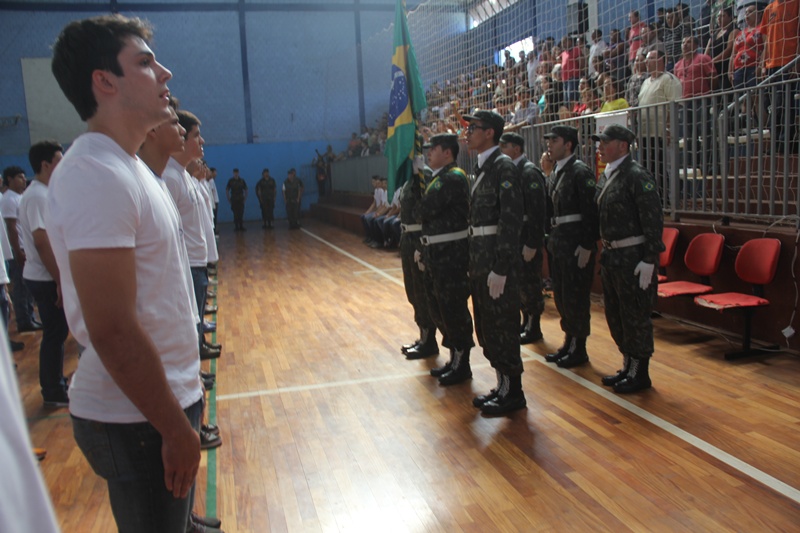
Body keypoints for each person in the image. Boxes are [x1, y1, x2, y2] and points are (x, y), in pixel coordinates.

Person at [48, 14, 205, 532]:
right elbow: (112, 328)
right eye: (144, 62)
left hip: (158, 407)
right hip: (137, 417)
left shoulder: (130, 165)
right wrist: (175, 429)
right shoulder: (95, 172)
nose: (165, 73)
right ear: (104, 81)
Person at [593, 124, 664, 393]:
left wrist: (650, 258)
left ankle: (639, 373)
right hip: (612, 257)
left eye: (605, 142)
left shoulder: (636, 175)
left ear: (622, 145)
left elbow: (653, 218)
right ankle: (627, 365)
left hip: (633, 257)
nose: (599, 147)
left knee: (635, 315)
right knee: (616, 315)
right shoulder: (607, 176)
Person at [463, 110, 525, 416]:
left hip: (495, 265)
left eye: (473, 128)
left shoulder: (502, 167)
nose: (467, 132)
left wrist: (502, 266)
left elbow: (510, 220)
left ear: (489, 133)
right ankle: (501, 386)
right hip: (481, 263)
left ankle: (513, 391)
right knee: (487, 328)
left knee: (502, 326)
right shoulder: (482, 169)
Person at [413, 134, 474, 378]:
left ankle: (462, 361)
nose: (429, 153)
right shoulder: (437, 179)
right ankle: (454, 358)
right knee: (439, 306)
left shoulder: (452, 177)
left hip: (451, 255)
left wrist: (420, 187)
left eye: (434, 149)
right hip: (437, 253)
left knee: (453, 307)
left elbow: (422, 211)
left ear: (447, 152)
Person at [18, 141, 70, 407]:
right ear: (45, 165)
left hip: (46, 276)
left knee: (57, 332)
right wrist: (60, 280)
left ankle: (56, 383)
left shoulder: (43, 193)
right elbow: (41, 241)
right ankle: (52, 390)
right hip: (44, 277)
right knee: (54, 333)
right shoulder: (37, 195)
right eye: (58, 162)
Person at [543, 125, 599, 369]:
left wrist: (587, 244)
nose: (549, 144)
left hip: (575, 242)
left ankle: (579, 347)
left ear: (568, 144)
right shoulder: (556, 171)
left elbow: (590, 211)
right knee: (563, 296)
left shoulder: (580, 171)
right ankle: (569, 341)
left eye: (554, 140)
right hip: (559, 242)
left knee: (576, 297)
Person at [498, 133, 547, 345]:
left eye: (504, 147)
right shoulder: (512, 171)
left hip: (527, 235)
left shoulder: (528, 172)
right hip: (516, 237)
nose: (501, 151)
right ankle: (525, 322)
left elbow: (538, 211)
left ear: (516, 149)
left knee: (530, 283)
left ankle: (533, 326)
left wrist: (533, 242)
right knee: (519, 284)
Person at [399, 161, 439, 360]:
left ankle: (429, 340)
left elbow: (429, 213)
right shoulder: (408, 180)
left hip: (418, 240)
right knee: (413, 291)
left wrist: (422, 247)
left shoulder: (425, 177)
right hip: (407, 239)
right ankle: (422, 336)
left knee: (422, 292)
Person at [1, 166, 40, 333]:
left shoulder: (19, 197)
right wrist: (17, 251)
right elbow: (11, 228)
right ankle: (23, 320)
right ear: (9, 179)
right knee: (21, 287)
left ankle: (29, 316)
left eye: (24, 177)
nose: (23, 180)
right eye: (19, 177)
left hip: (27, 248)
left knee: (28, 287)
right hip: (20, 249)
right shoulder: (9, 199)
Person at [638, 50, 682, 192]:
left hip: (661, 133)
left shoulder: (669, 79)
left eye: (650, 58)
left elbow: (675, 106)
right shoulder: (645, 82)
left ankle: (664, 200)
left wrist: (669, 129)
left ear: (661, 60)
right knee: (646, 168)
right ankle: (649, 198)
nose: (646, 61)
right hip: (645, 133)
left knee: (661, 168)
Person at [759, 0, 799, 152]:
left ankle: (786, 142)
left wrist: (796, 59)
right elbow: (765, 37)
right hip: (772, 65)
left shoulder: (796, 3)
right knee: (773, 106)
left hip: (789, 62)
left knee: (785, 104)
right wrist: (763, 63)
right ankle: (777, 141)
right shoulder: (769, 9)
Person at [729, 5, 764, 90]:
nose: (747, 14)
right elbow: (733, 54)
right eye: (746, 12)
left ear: (759, 14)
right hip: (738, 69)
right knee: (740, 98)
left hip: (753, 67)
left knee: (755, 95)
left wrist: (761, 65)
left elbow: (766, 47)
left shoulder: (762, 28)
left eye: (750, 11)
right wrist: (730, 71)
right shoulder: (740, 33)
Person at [705, 7, 739, 91]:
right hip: (714, 71)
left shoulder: (734, 30)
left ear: (730, 17)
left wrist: (712, 61)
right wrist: (706, 63)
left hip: (725, 69)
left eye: (722, 16)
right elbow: (706, 52)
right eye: (718, 16)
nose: (719, 19)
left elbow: (729, 50)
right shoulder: (715, 34)